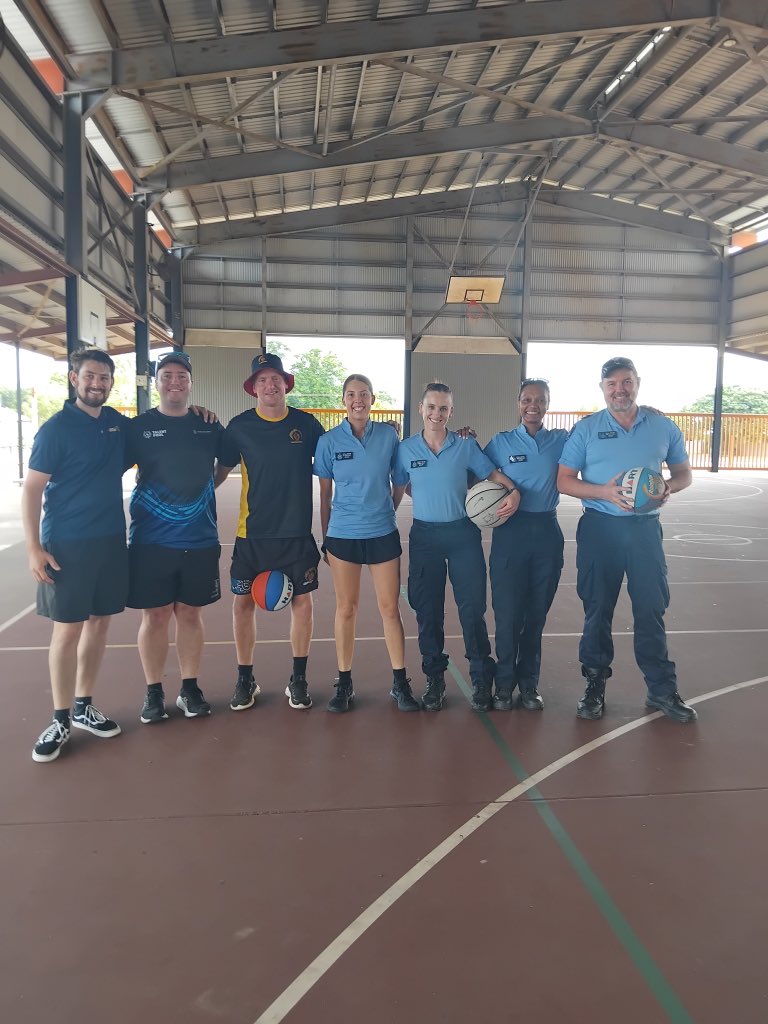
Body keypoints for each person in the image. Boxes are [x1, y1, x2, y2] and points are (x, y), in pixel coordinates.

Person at [557, 356, 696, 723]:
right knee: (597, 607)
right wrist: (603, 492)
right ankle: (594, 685)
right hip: (600, 529)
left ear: (637, 383)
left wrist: (668, 486)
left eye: (626, 382)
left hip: (644, 530)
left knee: (651, 607)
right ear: (602, 388)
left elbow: (684, 473)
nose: (620, 390)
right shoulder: (586, 429)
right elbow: (564, 480)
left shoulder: (662, 426)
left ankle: (661, 688)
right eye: (612, 384)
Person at [22, 347, 127, 762]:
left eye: (104, 377)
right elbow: (32, 489)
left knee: (100, 623)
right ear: (74, 378)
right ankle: (60, 718)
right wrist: (34, 547)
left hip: (111, 541)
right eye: (89, 376)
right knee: (67, 630)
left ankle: (84, 706)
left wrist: (200, 412)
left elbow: (160, 428)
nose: (96, 384)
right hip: (67, 544)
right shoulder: (55, 430)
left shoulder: (116, 424)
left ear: (111, 382)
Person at [392, 382, 519, 712]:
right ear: (421, 409)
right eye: (432, 407)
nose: (437, 414)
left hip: (463, 534)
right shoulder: (406, 450)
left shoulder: (465, 445)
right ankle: (435, 678)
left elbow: (493, 474)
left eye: (444, 408)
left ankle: (481, 678)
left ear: (452, 412)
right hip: (424, 537)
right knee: (428, 611)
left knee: (472, 609)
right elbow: (401, 487)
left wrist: (513, 490)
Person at [216, 353, 325, 711]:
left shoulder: (307, 425)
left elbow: (336, 458)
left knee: (303, 605)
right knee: (242, 604)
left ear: (285, 383)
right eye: (262, 380)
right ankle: (245, 678)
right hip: (252, 534)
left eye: (275, 378)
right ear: (253, 388)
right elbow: (219, 473)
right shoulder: (239, 427)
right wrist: (189, 495)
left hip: (296, 534)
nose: (270, 385)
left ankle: (299, 679)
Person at [125, 351, 226, 724]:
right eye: (166, 375)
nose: (174, 382)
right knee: (154, 617)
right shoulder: (138, 428)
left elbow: (224, 465)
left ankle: (189, 688)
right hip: (151, 541)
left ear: (191, 383)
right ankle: (154, 691)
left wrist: (204, 489)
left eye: (182, 376)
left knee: (189, 614)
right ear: (156, 382)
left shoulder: (208, 425)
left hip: (200, 539)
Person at [314, 374, 417, 713]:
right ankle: (344, 682)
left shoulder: (388, 436)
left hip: (382, 533)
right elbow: (324, 496)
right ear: (343, 400)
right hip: (343, 535)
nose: (357, 400)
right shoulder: (328, 441)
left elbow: (399, 481)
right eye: (350, 394)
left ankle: (400, 683)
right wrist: (327, 538)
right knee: (347, 609)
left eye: (363, 394)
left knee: (390, 609)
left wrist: (387, 510)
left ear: (372, 399)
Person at [484, 378, 568, 711]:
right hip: (510, 532)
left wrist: (645, 412)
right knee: (507, 614)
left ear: (548, 404)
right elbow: (480, 470)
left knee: (535, 615)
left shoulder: (561, 440)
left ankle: (529, 684)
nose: (533, 405)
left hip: (546, 531)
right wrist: (464, 437)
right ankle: (504, 684)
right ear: (518, 403)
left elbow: (594, 436)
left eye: (540, 400)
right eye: (526, 399)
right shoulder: (501, 441)